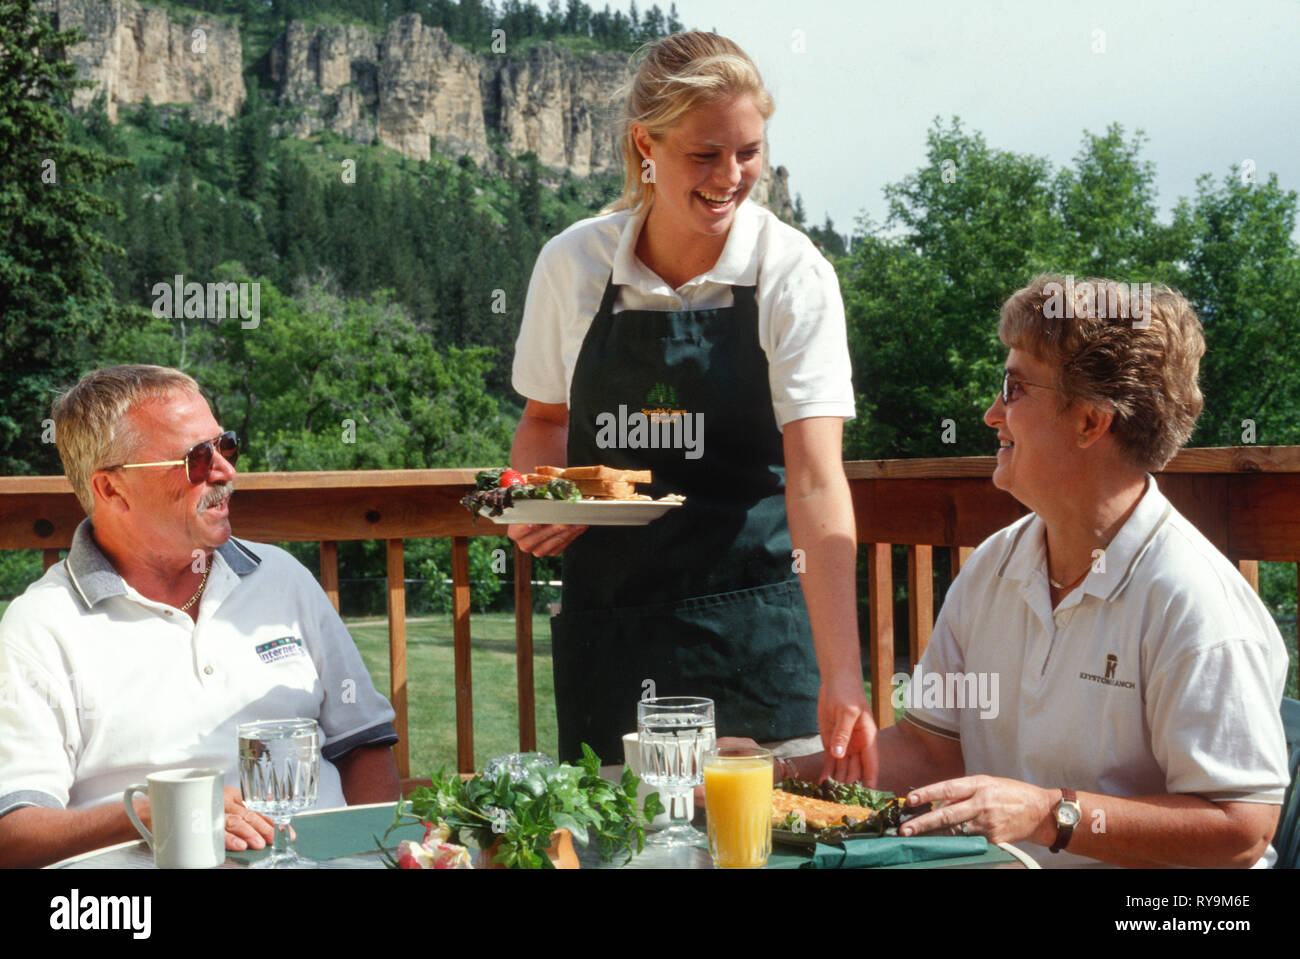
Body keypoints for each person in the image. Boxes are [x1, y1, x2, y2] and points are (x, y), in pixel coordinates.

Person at [766, 276, 1292, 867]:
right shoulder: (994, 566)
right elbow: (928, 750)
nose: (992, 414)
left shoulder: (1196, 601)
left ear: (1090, 422)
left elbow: (1242, 829)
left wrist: (1050, 815)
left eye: (1014, 388)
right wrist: (770, 773)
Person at [508, 32, 870, 779]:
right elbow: (545, 420)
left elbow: (814, 480)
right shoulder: (571, 265)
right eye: (704, 154)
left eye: (748, 151)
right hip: (617, 632)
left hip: (758, 636)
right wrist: (545, 496)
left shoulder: (793, 274)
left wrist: (845, 673)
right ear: (645, 144)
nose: (731, 177)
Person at [0, 365, 400, 868]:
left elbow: (362, 744)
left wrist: (382, 854)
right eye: (195, 458)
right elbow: (12, 832)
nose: (225, 471)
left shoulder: (281, 578)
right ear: (111, 489)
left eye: (224, 446)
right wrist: (162, 813)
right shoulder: (42, 625)